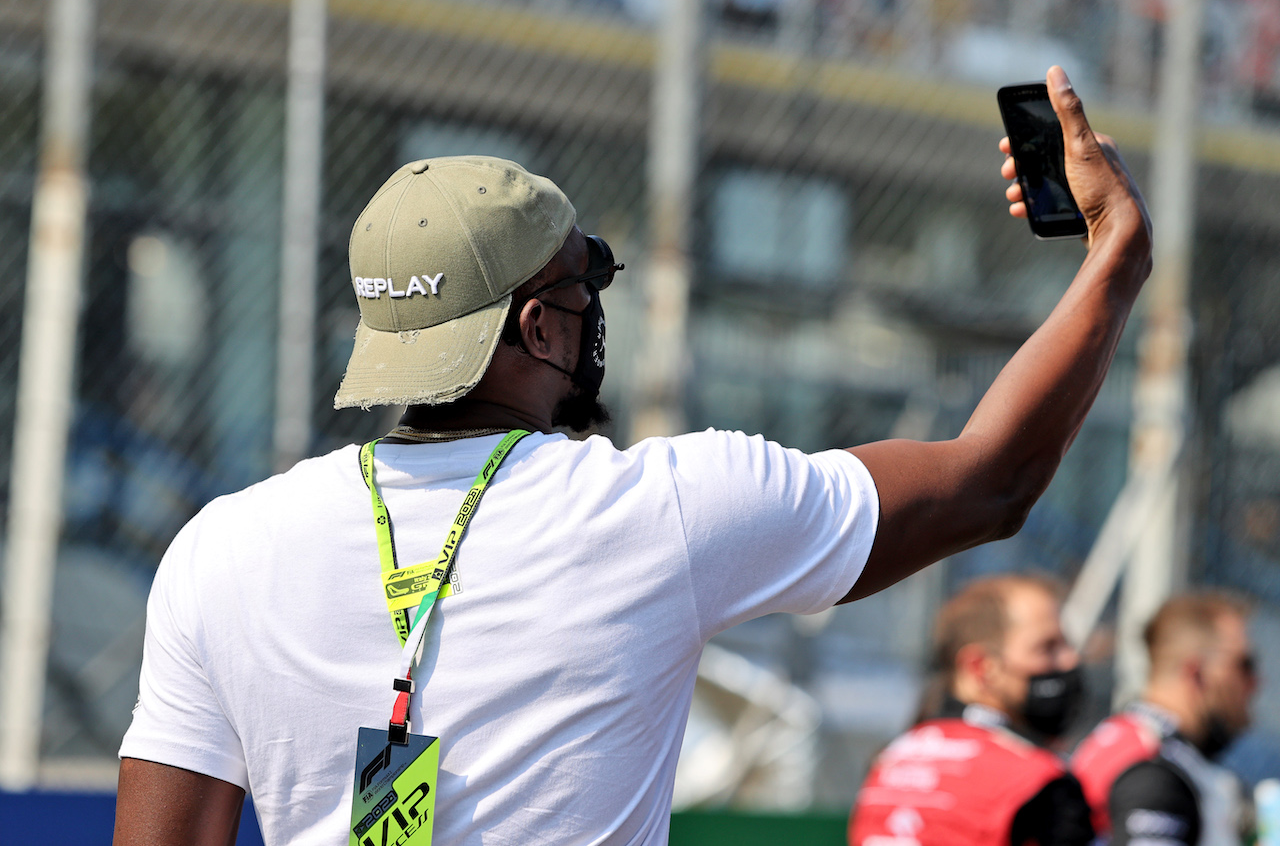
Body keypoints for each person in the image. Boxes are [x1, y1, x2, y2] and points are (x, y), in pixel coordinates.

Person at [113, 65, 1153, 846]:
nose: (593, 312)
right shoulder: (658, 509)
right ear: (537, 327)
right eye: (585, 280)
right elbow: (989, 480)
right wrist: (1112, 255)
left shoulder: (219, 548)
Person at [848, 574, 1095, 846]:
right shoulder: (1038, 781)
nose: (1070, 660)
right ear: (981, 667)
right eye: (1047, 648)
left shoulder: (888, 760)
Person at [1071, 593, 1258, 846]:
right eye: (1244, 664)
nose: (1256, 683)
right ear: (1197, 673)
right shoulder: (1153, 764)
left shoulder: (1132, 738)